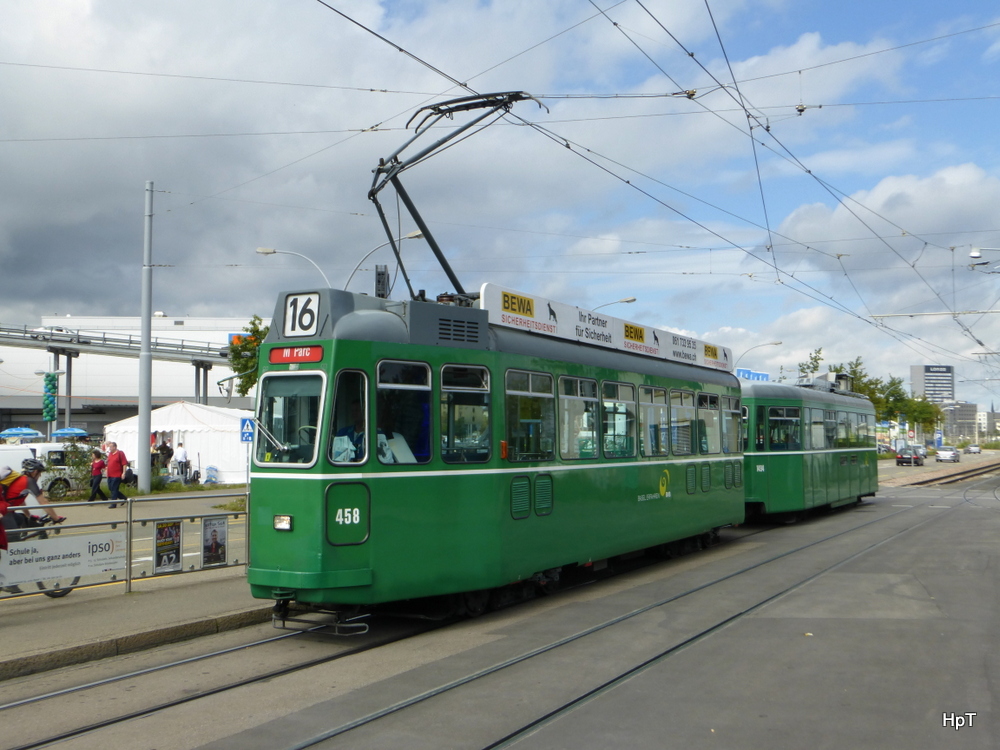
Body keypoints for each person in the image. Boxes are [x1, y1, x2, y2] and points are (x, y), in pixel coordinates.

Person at [2, 459, 65, 525]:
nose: (40, 475)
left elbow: (21, 502)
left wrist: (29, 516)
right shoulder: (29, 481)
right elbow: (43, 502)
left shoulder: (21, 480)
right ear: (35, 472)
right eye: (40, 473)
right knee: (14, 534)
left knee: (22, 520)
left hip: (6, 511)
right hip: (4, 513)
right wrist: (56, 518)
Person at [105, 442, 129, 508]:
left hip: (117, 474)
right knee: (111, 488)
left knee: (114, 489)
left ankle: (113, 503)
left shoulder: (120, 453)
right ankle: (124, 498)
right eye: (109, 447)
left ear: (115, 447)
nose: (109, 448)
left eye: (111, 447)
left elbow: (124, 463)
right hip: (110, 474)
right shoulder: (110, 454)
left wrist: (123, 473)